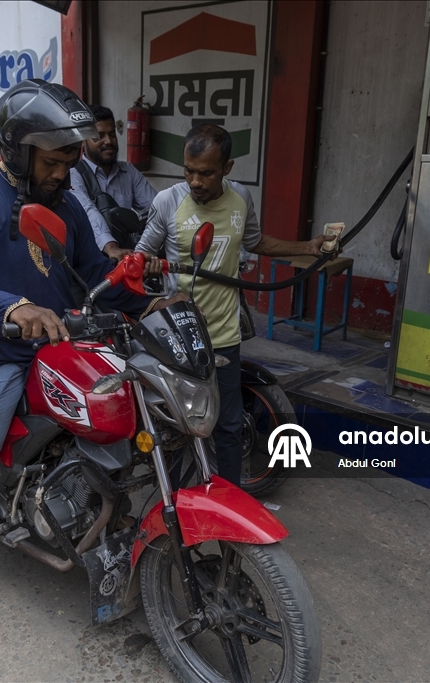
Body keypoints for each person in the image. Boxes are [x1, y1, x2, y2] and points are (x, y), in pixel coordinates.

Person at [0, 80, 185, 624]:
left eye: (70, 160)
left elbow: (96, 275)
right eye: (53, 162)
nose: (63, 173)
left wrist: (148, 304)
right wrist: (11, 309)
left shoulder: (68, 204)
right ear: (15, 149)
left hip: (68, 343)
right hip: (1, 354)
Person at [136, 124, 333, 486]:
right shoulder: (168, 202)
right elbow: (140, 257)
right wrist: (158, 296)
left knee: (227, 425)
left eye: (206, 172)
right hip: (180, 337)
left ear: (227, 168)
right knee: (180, 428)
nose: (195, 181)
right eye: (189, 170)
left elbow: (256, 241)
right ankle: (175, 509)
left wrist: (308, 247)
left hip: (224, 334)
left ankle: (229, 502)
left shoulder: (241, 197)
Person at [69, 104, 157, 260]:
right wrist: (110, 246)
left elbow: (155, 208)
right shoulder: (74, 173)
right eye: (99, 136)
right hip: (89, 261)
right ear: (83, 141)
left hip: (127, 259)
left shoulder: (128, 171)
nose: (108, 141)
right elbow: (88, 211)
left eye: (112, 134)